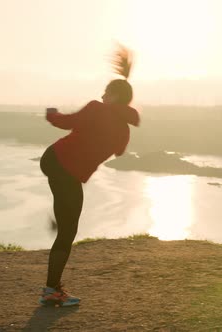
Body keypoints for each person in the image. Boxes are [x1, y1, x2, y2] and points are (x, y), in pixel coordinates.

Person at [38, 45, 140, 306]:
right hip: (65, 170)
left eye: (106, 93)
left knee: (67, 225)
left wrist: (51, 113)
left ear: (114, 96)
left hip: (55, 162)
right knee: (68, 231)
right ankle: (51, 290)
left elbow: (66, 122)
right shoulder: (124, 130)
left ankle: (52, 288)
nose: (101, 95)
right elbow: (118, 151)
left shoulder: (97, 109)